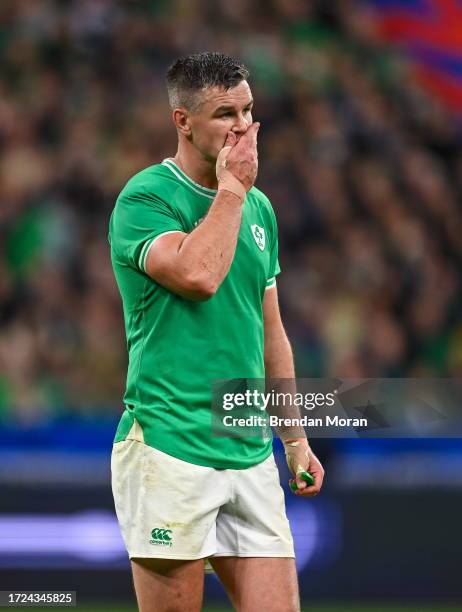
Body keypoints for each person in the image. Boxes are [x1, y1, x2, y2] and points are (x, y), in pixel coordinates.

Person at [108, 51, 325, 612]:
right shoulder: (145, 199)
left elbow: (270, 332)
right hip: (170, 449)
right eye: (225, 113)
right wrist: (232, 190)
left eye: (248, 110)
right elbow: (198, 276)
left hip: (249, 454)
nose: (243, 127)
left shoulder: (260, 210)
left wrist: (294, 439)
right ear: (183, 121)